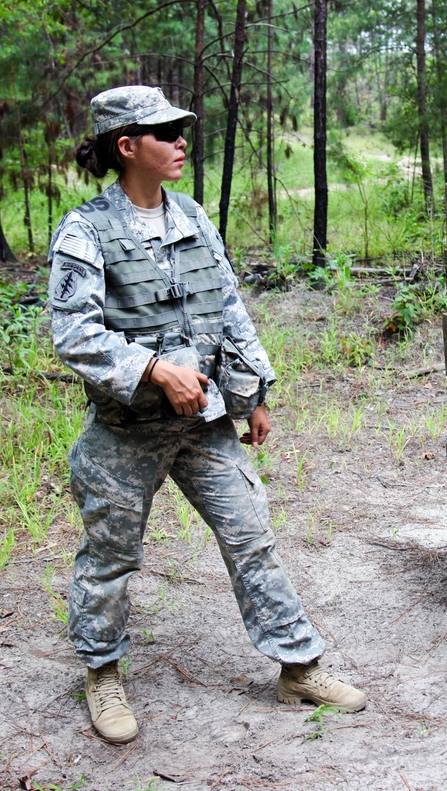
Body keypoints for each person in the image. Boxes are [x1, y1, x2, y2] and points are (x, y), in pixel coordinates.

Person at [48, 85, 365, 745]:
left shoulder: (191, 215)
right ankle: (102, 674)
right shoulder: (86, 229)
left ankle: (297, 665)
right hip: (124, 431)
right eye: (164, 131)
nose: (181, 140)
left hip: (204, 426)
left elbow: (228, 310)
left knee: (251, 536)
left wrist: (254, 397)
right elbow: (73, 334)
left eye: (180, 128)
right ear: (127, 146)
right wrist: (154, 369)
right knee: (110, 556)